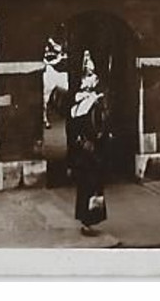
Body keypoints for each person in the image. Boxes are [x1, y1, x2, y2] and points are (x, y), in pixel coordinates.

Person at [68, 78, 109, 237]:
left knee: (84, 189)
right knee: (93, 188)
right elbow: (99, 131)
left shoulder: (76, 109)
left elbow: (73, 134)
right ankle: (88, 222)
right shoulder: (94, 107)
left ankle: (86, 220)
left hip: (81, 156)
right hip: (92, 156)